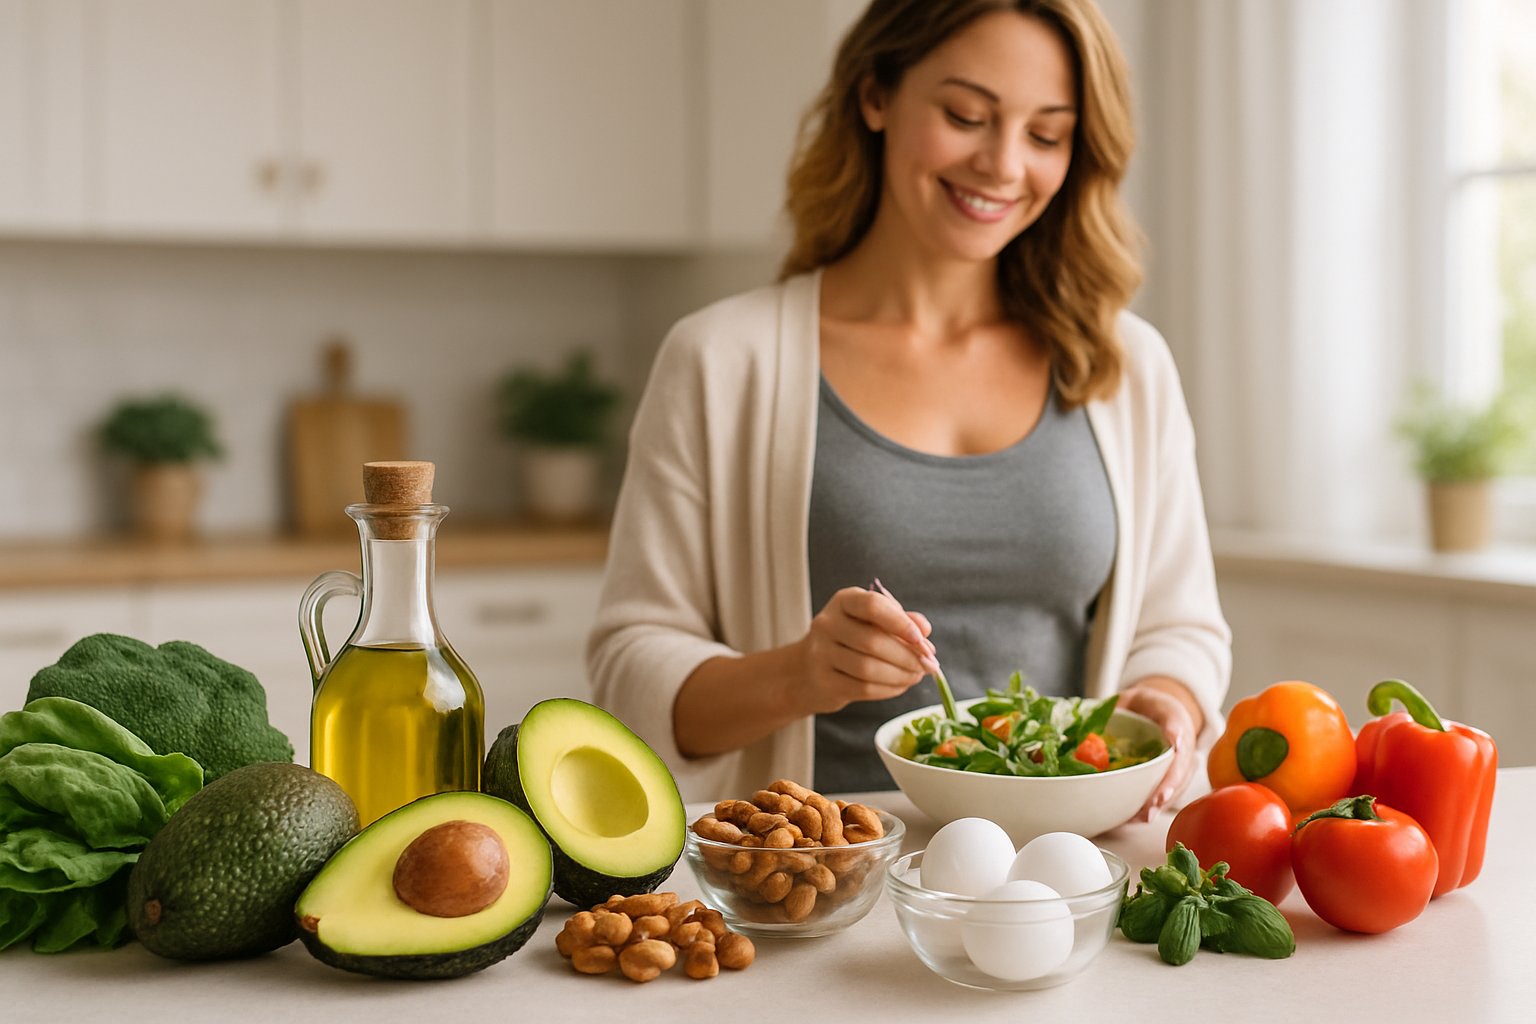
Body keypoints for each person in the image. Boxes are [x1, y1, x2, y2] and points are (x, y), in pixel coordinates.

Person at [588, 0, 1230, 812]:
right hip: (815, 888)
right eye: (967, 115)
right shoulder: (720, 360)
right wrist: (800, 674)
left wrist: (1166, 699)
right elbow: (627, 668)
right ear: (876, 95)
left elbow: (1181, 630)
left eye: (1046, 135)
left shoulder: (1126, 365)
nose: (1002, 164)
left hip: (1064, 884)